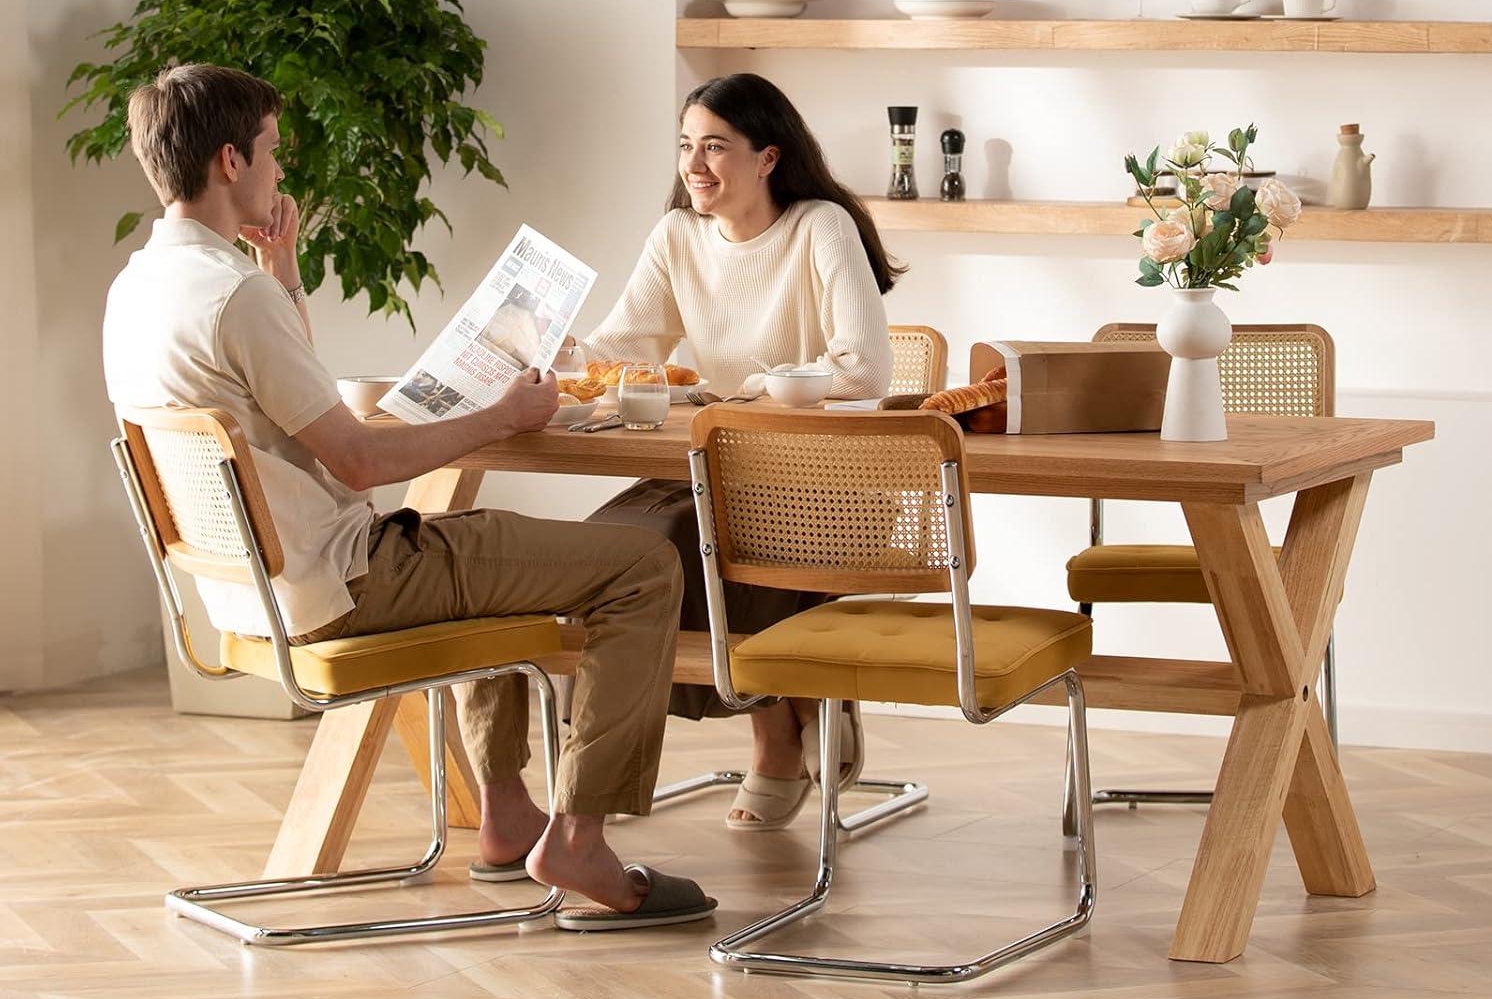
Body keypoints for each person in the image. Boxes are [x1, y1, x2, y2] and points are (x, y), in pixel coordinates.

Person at [101, 64, 712, 931]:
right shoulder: (232, 298)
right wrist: (502, 414)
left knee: (484, 546)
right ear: (230, 161)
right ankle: (580, 840)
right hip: (347, 583)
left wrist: (285, 271)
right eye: (273, 152)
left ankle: (505, 816)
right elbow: (355, 462)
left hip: (251, 596)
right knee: (647, 566)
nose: (282, 172)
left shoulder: (140, 290)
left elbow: (288, 405)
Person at [583, 72, 904, 831]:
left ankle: (777, 738)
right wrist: (537, 350)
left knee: (695, 540)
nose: (694, 166)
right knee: (612, 548)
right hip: (717, 468)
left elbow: (865, 371)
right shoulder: (677, 237)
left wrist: (745, 391)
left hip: (832, 484)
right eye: (687, 147)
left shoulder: (818, 226)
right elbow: (618, 347)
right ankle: (797, 703)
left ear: (768, 157)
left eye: (716, 148)